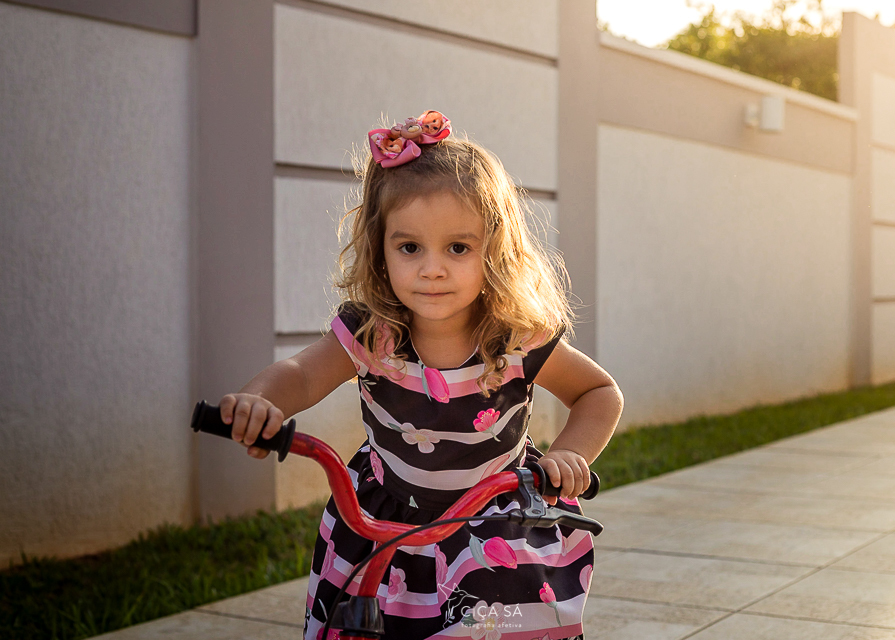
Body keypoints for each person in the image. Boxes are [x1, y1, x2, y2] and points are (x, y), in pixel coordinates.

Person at [218, 110, 623, 640]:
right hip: (385, 519)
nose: (432, 269)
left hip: (492, 526)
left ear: (494, 250)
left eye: (458, 247)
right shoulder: (373, 334)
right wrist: (260, 401)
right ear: (381, 249)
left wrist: (569, 453)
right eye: (410, 247)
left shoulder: (513, 337)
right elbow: (300, 375)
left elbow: (598, 392)